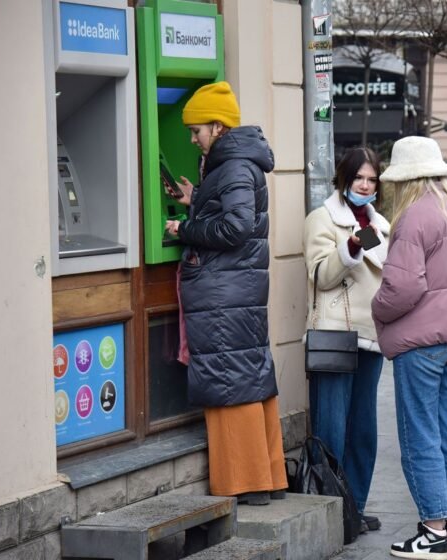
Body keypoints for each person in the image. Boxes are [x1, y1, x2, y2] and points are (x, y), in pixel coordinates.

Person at [165, 82, 286, 505]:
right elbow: (233, 213)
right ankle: (268, 476)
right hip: (235, 287)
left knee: (229, 380)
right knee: (247, 374)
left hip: (224, 290)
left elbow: (235, 228)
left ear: (218, 127)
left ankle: (246, 483)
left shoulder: (232, 166)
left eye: (196, 130)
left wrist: (186, 228)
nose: (192, 139)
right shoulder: (234, 163)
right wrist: (195, 200)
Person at [372, 136, 447, 560]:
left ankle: (433, 531)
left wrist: (377, 308)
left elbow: (402, 288)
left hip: (423, 343)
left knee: (420, 435)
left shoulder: (414, 217)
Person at [303, 147, 390, 533]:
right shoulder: (322, 219)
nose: (365, 185)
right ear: (344, 178)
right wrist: (349, 249)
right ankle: (329, 507)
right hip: (336, 333)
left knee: (363, 429)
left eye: (372, 179)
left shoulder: (380, 224)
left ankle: (354, 506)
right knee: (332, 428)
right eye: (359, 178)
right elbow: (321, 276)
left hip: (371, 334)